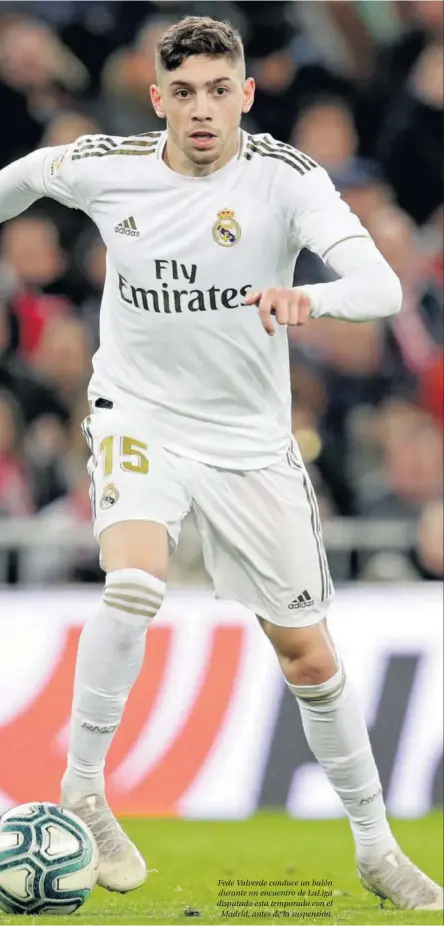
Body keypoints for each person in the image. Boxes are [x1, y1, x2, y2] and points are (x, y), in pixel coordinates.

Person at [0, 14, 441, 912]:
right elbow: (17, 181)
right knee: (133, 581)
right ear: (159, 99)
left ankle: (372, 843)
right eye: (185, 94)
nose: (203, 110)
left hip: (248, 443)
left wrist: (304, 296)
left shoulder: (284, 178)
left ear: (244, 94)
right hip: (139, 414)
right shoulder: (105, 164)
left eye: (219, 91)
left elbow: (382, 287)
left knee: (310, 657)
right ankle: (84, 786)